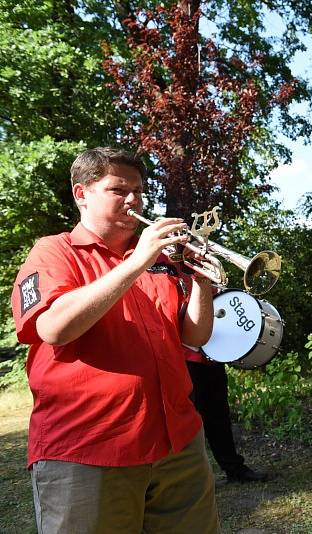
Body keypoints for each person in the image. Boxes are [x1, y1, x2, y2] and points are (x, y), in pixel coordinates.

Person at [10, 147, 220, 533]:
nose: (134, 200)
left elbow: (195, 337)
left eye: (139, 190)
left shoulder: (159, 261)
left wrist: (202, 282)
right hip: (88, 447)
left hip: (178, 442)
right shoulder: (54, 251)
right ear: (81, 193)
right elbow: (54, 328)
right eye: (118, 190)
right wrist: (136, 261)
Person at [185, 350, 269, 482]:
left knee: (219, 417)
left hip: (212, 357)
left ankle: (234, 470)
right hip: (184, 360)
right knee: (186, 423)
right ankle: (188, 480)